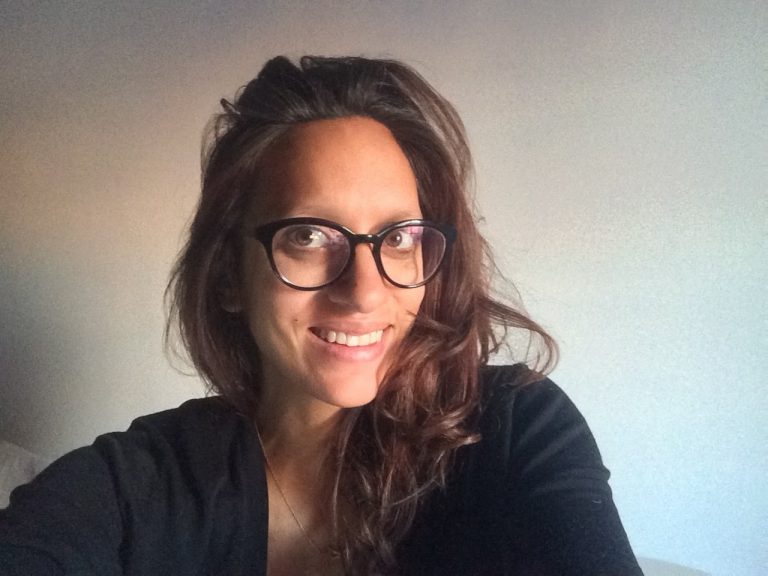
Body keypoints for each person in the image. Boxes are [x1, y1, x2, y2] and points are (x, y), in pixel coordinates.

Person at [0, 56, 643, 575]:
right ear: (228, 275)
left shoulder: (513, 432)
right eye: (308, 236)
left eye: (398, 237)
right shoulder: (134, 489)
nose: (364, 292)